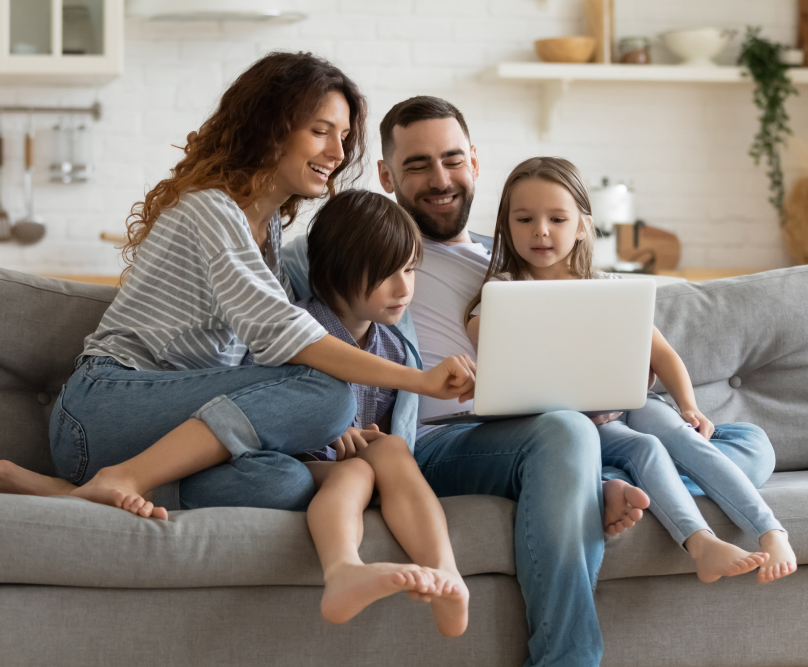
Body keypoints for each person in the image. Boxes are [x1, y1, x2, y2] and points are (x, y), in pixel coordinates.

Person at [362, 95, 778, 667]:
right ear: (386, 175)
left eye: (452, 159)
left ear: (475, 162)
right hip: (450, 439)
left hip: (560, 429)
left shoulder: (509, 255)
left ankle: (603, 481)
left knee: (749, 445)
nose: (441, 178)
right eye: (417, 165)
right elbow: (315, 325)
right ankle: (567, 656)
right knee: (568, 431)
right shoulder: (373, 253)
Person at [0, 53, 475, 523]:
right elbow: (283, 335)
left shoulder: (267, 234)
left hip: (171, 429)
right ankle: (122, 478)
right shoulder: (211, 211)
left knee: (284, 482)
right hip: (105, 410)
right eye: (320, 130)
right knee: (329, 396)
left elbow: (264, 364)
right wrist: (419, 379)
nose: (337, 153)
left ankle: (80, 490)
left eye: (344, 136)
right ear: (269, 127)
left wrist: (330, 433)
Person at [463, 156, 796, 586]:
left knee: (682, 435)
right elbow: (484, 339)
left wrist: (689, 406)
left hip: (631, 402)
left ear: (582, 225)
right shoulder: (505, 294)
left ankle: (772, 531)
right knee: (647, 449)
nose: (540, 230)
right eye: (524, 219)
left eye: (557, 218)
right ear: (506, 226)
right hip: (578, 425)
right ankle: (700, 542)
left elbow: (665, 356)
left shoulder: (609, 288)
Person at [265, 188, 468, 635]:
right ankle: (344, 570)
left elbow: (388, 432)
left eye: (410, 270)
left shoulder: (393, 345)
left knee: (393, 449)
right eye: (386, 275)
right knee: (355, 473)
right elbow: (261, 405)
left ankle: (446, 573)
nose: (404, 288)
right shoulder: (299, 330)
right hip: (300, 463)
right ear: (335, 273)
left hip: (369, 466)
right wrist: (321, 428)